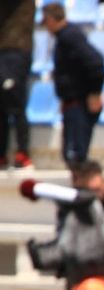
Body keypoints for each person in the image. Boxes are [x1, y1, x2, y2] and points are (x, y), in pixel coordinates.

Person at [42, 3, 104, 166]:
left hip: (79, 103)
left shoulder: (70, 36)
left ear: (50, 19)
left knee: (76, 155)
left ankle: (82, 188)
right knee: (72, 155)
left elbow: (96, 63)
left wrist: (95, 93)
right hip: (72, 102)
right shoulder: (66, 36)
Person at [0, 0, 33, 169]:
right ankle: (2, 155)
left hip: (16, 48)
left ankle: (23, 153)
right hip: (4, 49)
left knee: (15, 103)